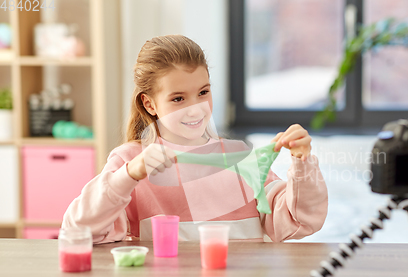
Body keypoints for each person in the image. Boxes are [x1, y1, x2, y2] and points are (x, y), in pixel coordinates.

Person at [62, 35, 328, 244]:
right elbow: (78, 231)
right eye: (178, 98)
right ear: (150, 104)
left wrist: (301, 162)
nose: (196, 108)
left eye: (203, 92)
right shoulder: (129, 161)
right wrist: (129, 175)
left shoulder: (240, 160)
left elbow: (299, 221)